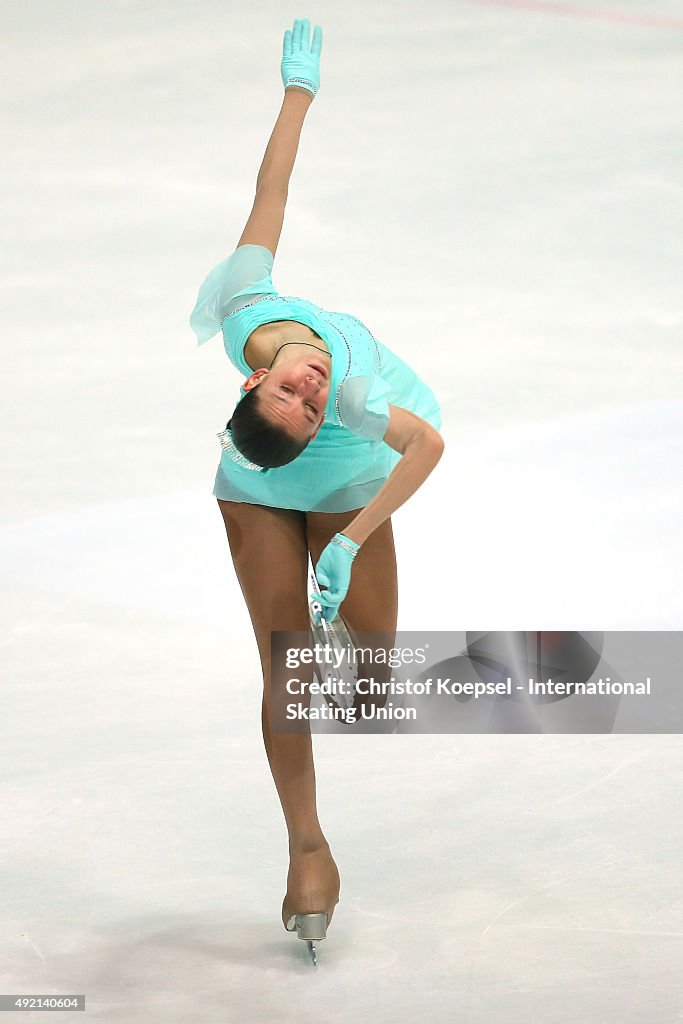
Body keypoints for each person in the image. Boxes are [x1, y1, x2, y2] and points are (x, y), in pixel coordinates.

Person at [189, 18, 445, 957]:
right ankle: (307, 848)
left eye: (299, 395)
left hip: (352, 485)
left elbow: (271, 189)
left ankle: (352, 642)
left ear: (260, 379)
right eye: (303, 397)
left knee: (370, 686)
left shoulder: (255, 311)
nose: (304, 388)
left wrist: (297, 91)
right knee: (288, 669)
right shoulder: (268, 405)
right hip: (254, 490)